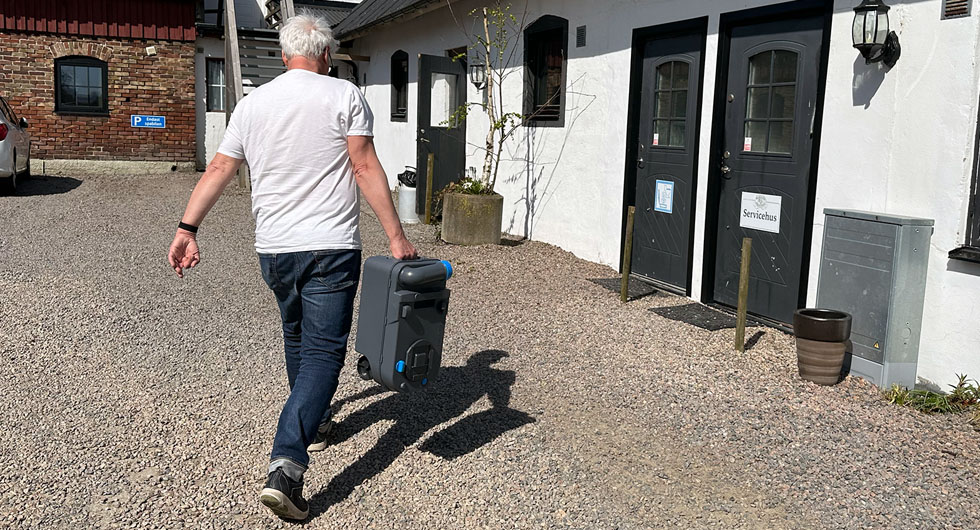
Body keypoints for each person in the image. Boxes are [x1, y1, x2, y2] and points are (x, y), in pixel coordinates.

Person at [166, 12, 417, 520]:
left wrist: (187, 228)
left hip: (275, 249)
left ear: (284, 55)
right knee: (323, 352)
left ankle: (317, 422)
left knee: (297, 336)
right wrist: (396, 236)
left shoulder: (252, 103)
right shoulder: (344, 94)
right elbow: (363, 165)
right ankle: (287, 465)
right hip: (329, 246)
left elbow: (220, 167)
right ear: (326, 54)